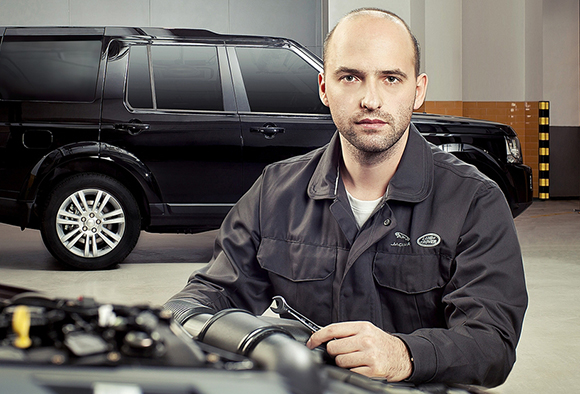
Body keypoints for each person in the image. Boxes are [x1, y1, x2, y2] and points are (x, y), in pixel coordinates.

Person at [164, 8, 527, 387]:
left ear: (418, 90)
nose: (371, 99)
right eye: (351, 77)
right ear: (324, 87)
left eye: (390, 78)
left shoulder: (473, 201)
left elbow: (492, 343)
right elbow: (206, 298)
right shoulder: (275, 191)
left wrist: (404, 355)